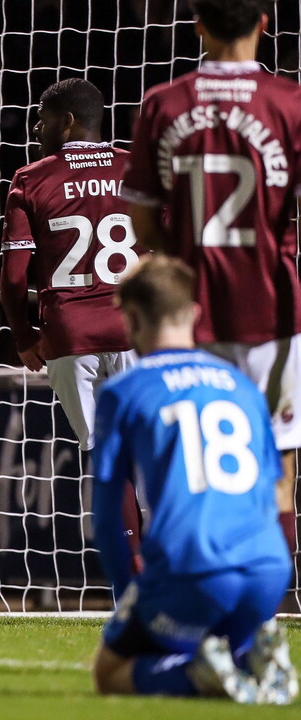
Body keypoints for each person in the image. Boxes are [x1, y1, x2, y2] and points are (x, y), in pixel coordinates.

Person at [121, 0, 301, 564]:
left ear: (197, 25)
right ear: (264, 23)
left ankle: (195, 614)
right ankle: (262, 617)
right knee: (276, 469)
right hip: (273, 311)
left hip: (187, 317)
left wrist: (184, 264)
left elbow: (143, 221)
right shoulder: (290, 104)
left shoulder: (163, 104)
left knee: (194, 468)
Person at [90, 255, 297, 704]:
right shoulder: (242, 385)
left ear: (131, 319)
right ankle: (247, 651)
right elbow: (274, 490)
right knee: (216, 630)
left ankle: (196, 674)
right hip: (268, 571)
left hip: (193, 569)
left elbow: (107, 512)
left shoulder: (124, 390)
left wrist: (130, 594)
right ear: (195, 313)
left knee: (109, 672)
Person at [0, 78, 147, 565]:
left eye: (43, 119)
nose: (37, 128)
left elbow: (14, 275)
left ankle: (131, 577)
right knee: (157, 456)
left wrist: (24, 337)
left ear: (67, 121)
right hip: (136, 329)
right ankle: (174, 573)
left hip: (70, 334)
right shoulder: (136, 167)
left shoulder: (31, 179)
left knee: (107, 461)